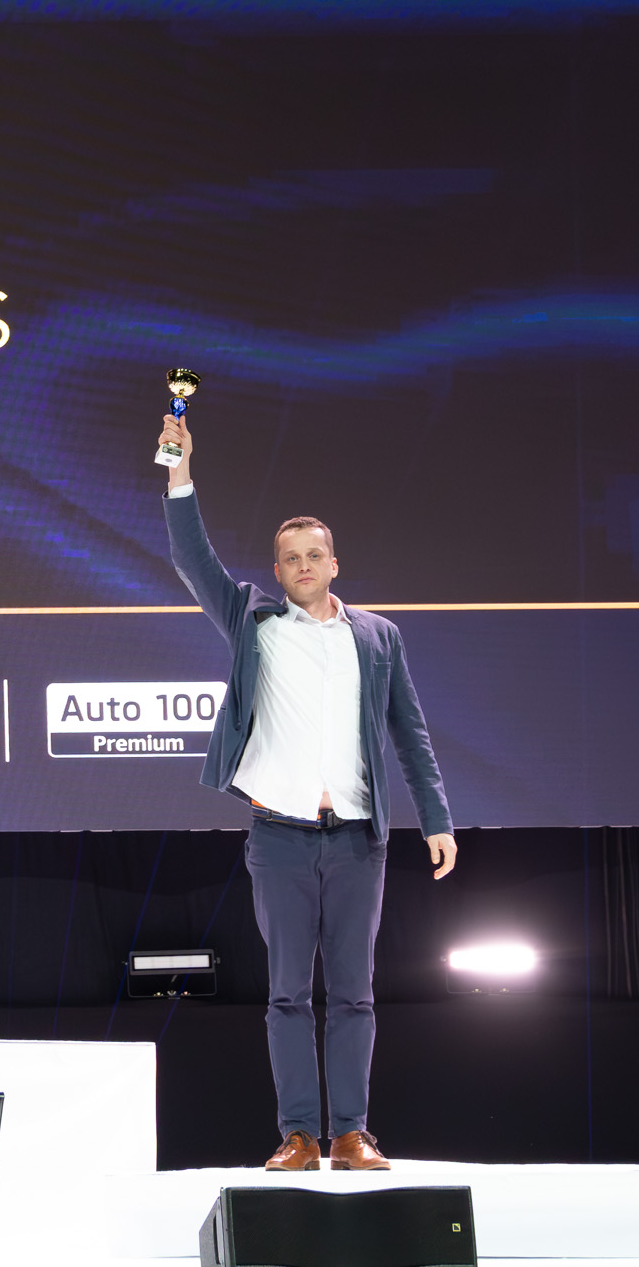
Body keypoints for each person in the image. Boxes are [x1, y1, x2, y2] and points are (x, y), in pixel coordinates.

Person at [160, 411, 457, 1172]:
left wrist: (436, 819)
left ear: (333, 563)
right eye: (290, 557)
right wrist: (179, 470)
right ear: (278, 568)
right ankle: (298, 1134)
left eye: (313, 554)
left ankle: (352, 1133)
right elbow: (192, 557)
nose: (302, 565)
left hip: (357, 840)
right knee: (288, 993)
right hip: (280, 838)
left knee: (354, 995)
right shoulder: (253, 621)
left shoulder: (378, 636)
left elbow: (411, 732)